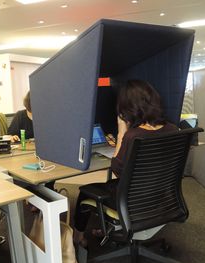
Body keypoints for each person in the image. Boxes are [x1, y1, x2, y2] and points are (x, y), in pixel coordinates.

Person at [73, 79, 178, 247]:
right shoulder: (173, 129)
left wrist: (122, 131)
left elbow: (117, 170)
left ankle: (78, 238)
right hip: (161, 196)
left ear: (128, 107)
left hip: (133, 201)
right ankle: (111, 229)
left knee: (85, 191)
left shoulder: (133, 136)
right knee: (110, 185)